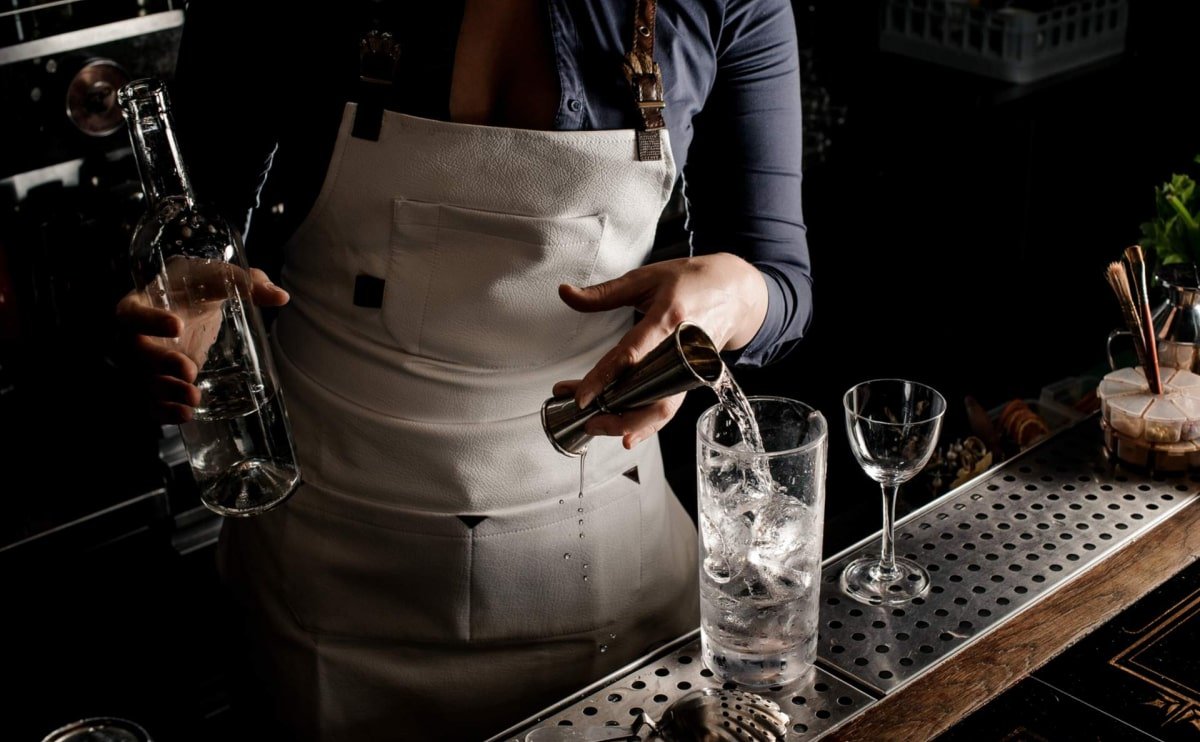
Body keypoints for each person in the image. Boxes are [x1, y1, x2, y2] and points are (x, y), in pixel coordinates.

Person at [117, 0, 813, 738]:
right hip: (323, 573)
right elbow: (182, 223)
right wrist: (171, 309)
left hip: (606, 578)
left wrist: (734, 296)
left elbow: (781, 283)